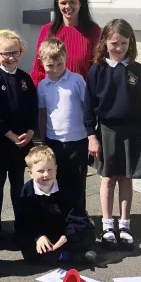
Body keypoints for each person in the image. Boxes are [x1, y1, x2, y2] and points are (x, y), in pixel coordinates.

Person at [84, 19, 141, 250]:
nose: (119, 47)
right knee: (108, 178)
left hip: (132, 132)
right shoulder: (97, 70)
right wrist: (91, 137)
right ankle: (106, 224)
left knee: (126, 177)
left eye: (124, 42)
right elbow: (88, 106)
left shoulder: (137, 70)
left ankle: (124, 223)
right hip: (106, 131)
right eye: (114, 43)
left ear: (130, 42)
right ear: (105, 42)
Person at [0, 30, 38, 243]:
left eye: (15, 52)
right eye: (6, 53)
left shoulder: (25, 79)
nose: (11, 57)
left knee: (18, 184)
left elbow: (33, 107)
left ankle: (19, 223)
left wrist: (31, 132)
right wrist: (11, 135)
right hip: (0, 142)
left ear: (21, 52)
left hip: (22, 143)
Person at [15, 146, 96, 266]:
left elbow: (76, 215)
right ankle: (70, 256)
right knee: (26, 245)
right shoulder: (27, 191)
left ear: (56, 169)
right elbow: (25, 220)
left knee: (86, 230)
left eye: (50, 170)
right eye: (40, 171)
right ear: (30, 173)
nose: (46, 175)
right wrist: (39, 237)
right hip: (42, 234)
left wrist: (67, 236)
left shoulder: (66, 187)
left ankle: (65, 254)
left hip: (63, 232)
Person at [36, 38, 88, 212]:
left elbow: (87, 108)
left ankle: (79, 219)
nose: (56, 69)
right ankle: (62, 218)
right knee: (56, 181)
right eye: (50, 65)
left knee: (78, 182)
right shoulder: (42, 86)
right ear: (42, 62)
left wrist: (91, 135)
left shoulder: (76, 80)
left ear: (66, 59)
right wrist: (43, 140)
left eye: (60, 64)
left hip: (78, 141)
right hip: (54, 142)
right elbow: (42, 114)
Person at [30, 0, 101, 86]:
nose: (67, 6)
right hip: (51, 96)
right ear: (57, 4)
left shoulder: (93, 30)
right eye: (63, 3)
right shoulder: (47, 30)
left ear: (81, 3)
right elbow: (38, 70)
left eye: (72, 2)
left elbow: (97, 70)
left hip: (81, 96)